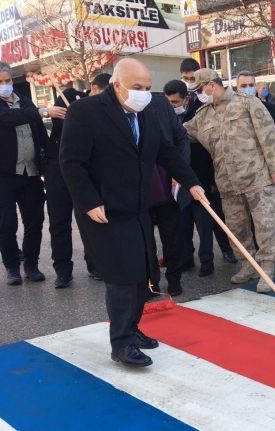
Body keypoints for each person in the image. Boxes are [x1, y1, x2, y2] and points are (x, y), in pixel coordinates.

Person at [61, 58, 206, 367]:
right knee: (123, 275)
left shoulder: (148, 112)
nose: (143, 93)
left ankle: (132, 328)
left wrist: (192, 182)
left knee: (142, 271)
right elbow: (72, 162)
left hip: (138, 205)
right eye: (137, 88)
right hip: (104, 209)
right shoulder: (86, 112)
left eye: (147, 88)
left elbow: (166, 151)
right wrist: (88, 201)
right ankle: (121, 343)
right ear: (117, 85)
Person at [184, 69, 275, 293]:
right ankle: (247, 264)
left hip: (257, 177)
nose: (198, 94)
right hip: (227, 183)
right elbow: (182, 133)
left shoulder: (247, 103)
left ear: (211, 85)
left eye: (200, 89)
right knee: (236, 228)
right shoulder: (203, 115)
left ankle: (267, 266)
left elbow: (268, 135)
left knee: (265, 225)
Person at [176, 64, 236, 274]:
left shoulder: (238, 105)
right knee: (188, 222)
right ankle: (189, 257)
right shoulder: (196, 109)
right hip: (189, 177)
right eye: (186, 79)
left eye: (194, 81)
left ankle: (224, 253)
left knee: (214, 221)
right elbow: (185, 132)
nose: (191, 86)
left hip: (212, 174)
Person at [0, 61, 48, 286]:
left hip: (31, 173)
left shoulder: (25, 102)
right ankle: (12, 267)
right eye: (0, 82)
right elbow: (9, 118)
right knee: (6, 224)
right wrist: (39, 112)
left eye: (7, 80)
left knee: (34, 221)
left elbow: (39, 133)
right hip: (5, 176)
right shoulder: (27, 109)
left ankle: (31, 264)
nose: (5, 85)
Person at [44, 84, 94, 289]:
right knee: (59, 223)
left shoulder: (85, 117)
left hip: (81, 171)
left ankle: (95, 264)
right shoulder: (56, 127)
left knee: (90, 220)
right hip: (56, 172)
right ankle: (63, 271)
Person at [146, 82, 193, 297]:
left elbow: (181, 138)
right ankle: (151, 283)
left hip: (166, 185)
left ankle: (174, 278)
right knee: (145, 242)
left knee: (172, 238)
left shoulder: (161, 106)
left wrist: (180, 172)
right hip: (140, 192)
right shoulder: (117, 111)